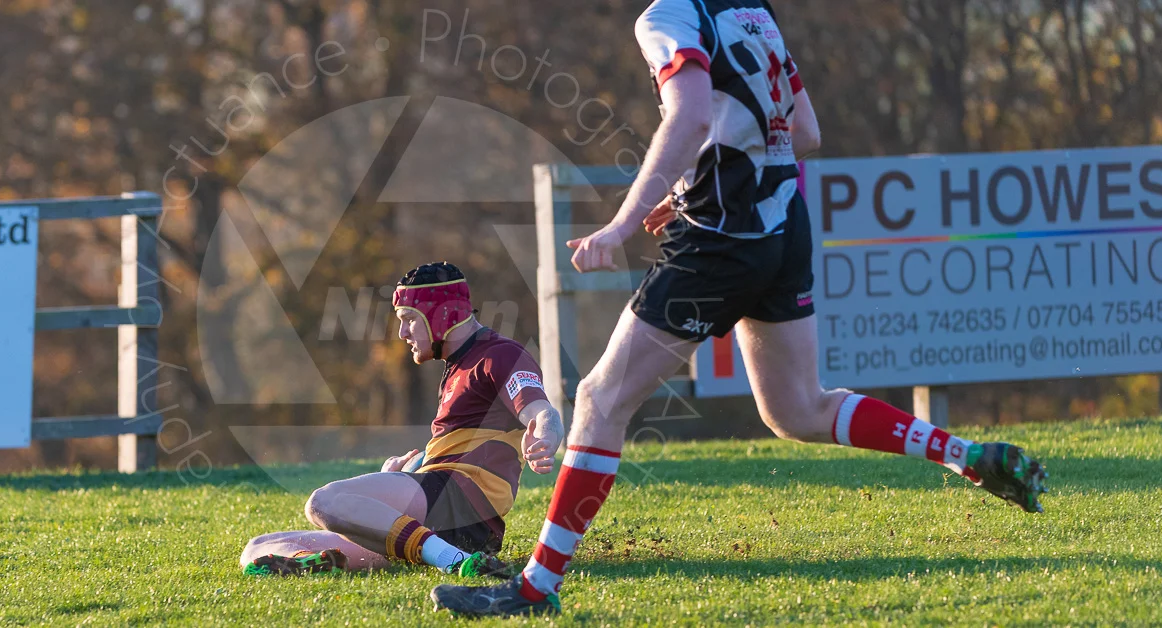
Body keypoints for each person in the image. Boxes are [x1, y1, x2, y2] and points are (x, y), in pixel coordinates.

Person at [431, 0, 1049, 616]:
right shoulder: (753, 10)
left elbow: (691, 114)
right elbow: (804, 131)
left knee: (599, 399)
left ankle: (534, 589)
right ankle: (967, 457)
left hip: (718, 244)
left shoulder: (667, 15)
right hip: (784, 229)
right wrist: (692, 188)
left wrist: (620, 226)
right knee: (797, 408)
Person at [240, 262, 566, 578]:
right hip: (437, 512)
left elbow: (542, 411)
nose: (401, 332)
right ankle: (321, 564)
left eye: (409, 319)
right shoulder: (457, 364)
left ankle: (451, 559)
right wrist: (399, 478)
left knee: (323, 503)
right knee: (259, 547)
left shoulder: (499, 354)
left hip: (458, 507)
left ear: (442, 315)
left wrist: (547, 435)